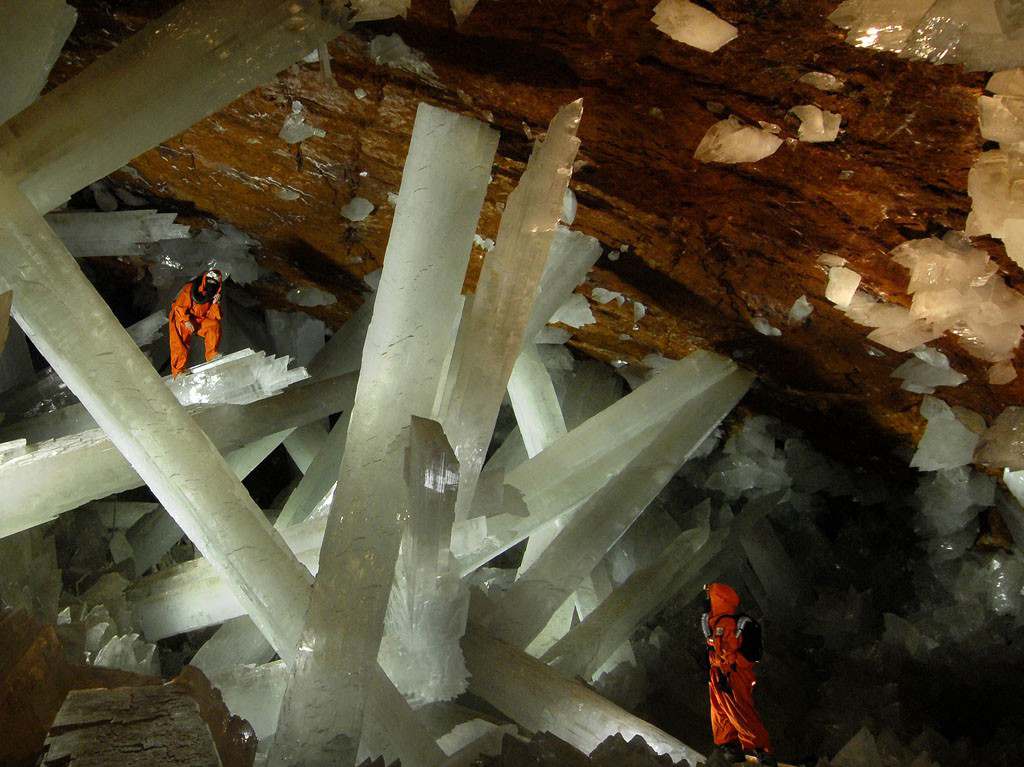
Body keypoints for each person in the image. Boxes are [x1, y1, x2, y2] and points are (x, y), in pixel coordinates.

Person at [701, 582, 776, 766]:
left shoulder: (725, 623)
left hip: (732, 675)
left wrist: (719, 663)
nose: (706, 601)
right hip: (721, 675)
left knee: (741, 713)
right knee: (720, 713)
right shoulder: (716, 621)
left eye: (709, 596)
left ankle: (760, 751)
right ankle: (730, 747)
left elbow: (728, 654)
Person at [169, 269, 223, 377]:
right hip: (181, 318)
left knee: (213, 325)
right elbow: (179, 306)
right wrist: (186, 320)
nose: (211, 284)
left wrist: (215, 304)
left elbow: (214, 317)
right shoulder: (189, 288)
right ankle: (178, 371)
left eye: (214, 283)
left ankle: (211, 355)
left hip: (198, 320)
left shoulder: (213, 295)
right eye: (210, 281)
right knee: (179, 344)